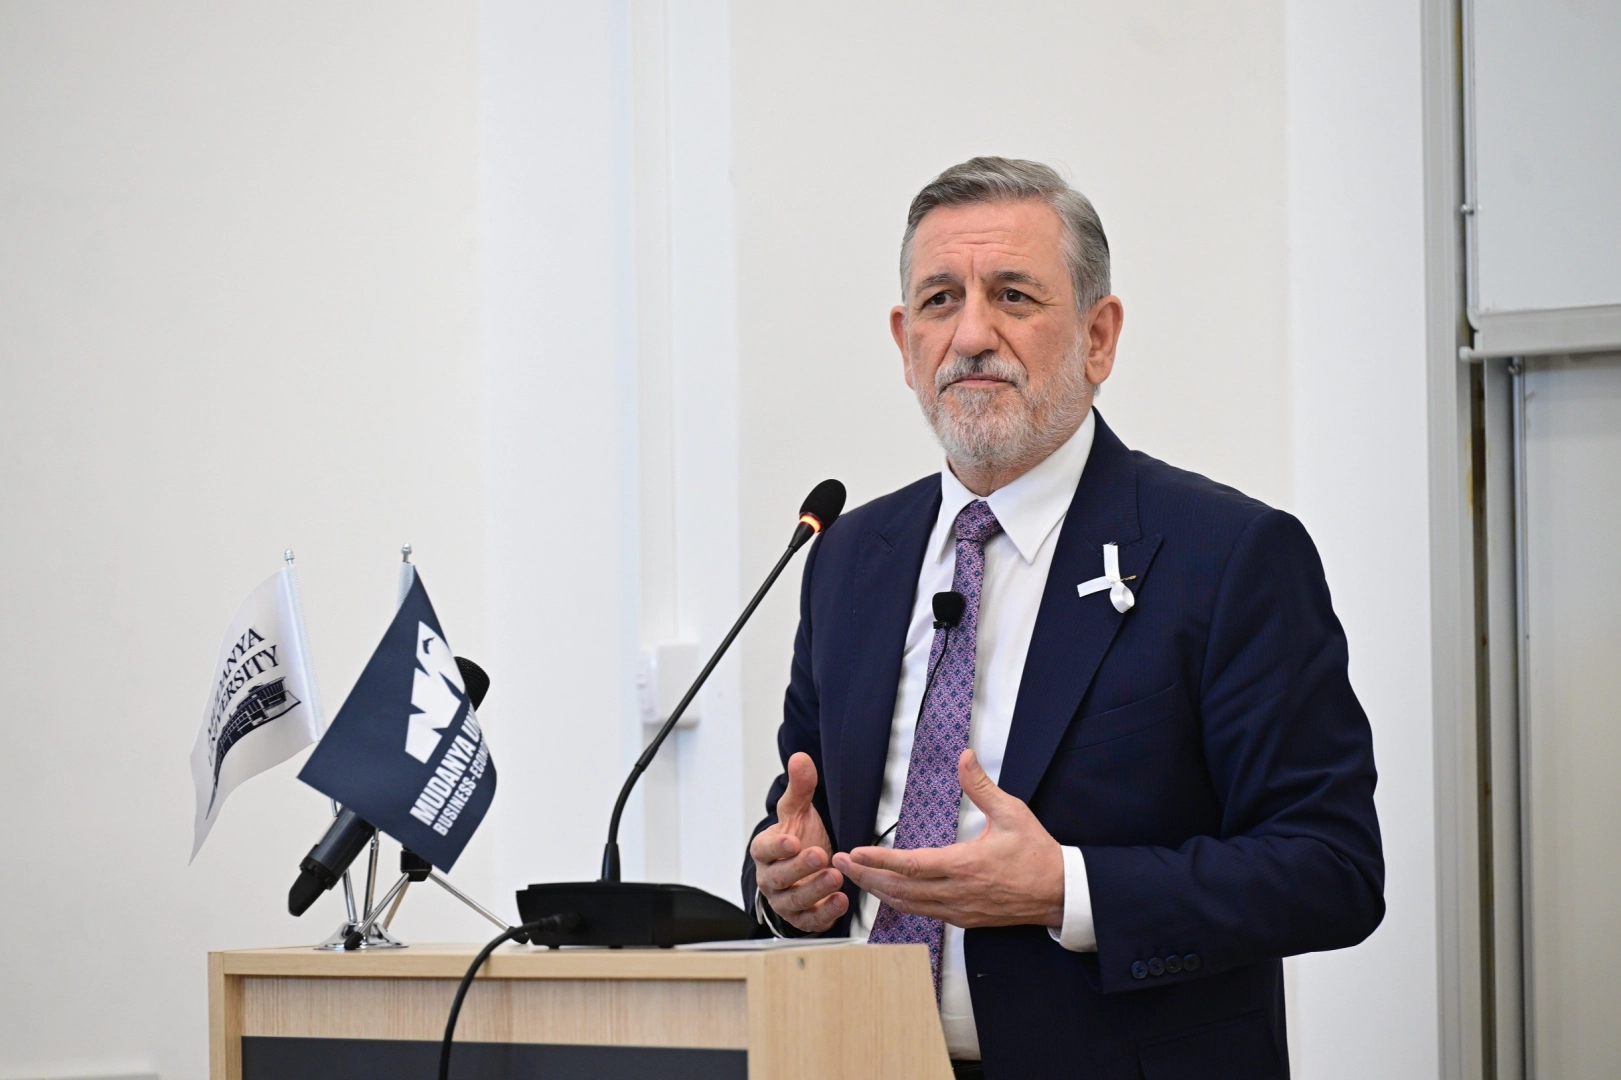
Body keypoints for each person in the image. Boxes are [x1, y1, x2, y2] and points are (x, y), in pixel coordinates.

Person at [742, 157, 1384, 1079]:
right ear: (904, 341)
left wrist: (1067, 890)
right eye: (938, 300)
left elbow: (1331, 868)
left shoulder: (1226, 555)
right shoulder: (849, 557)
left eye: (1012, 295)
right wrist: (785, 886)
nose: (971, 334)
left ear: (1098, 335)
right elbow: (807, 819)